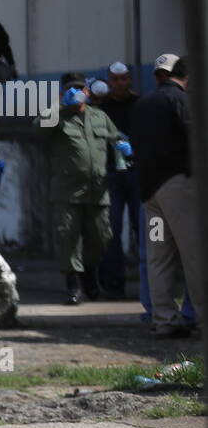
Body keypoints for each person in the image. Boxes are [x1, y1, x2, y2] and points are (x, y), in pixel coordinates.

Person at [129, 54, 202, 338]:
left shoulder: (141, 105)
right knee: (194, 254)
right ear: (186, 77)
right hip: (178, 190)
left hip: (150, 195)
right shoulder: (182, 101)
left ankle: (164, 318)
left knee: (159, 257)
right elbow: (194, 138)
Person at [38, 79, 124, 304]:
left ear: (88, 92)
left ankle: (89, 276)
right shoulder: (58, 117)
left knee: (101, 236)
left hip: (97, 190)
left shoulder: (99, 116)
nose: (76, 94)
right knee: (68, 237)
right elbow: (39, 126)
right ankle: (74, 286)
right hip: (67, 191)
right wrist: (58, 104)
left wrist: (124, 146)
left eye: (80, 89)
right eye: (70, 90)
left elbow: (116, 139)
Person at [97, 62, 141, 298]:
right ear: (109, 81)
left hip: (137, 172)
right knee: (111, 229)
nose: (120, 83)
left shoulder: (139, 104)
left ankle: (148, 281)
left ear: (130, 80)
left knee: (143, 226)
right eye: (115, 79)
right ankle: (114, 281)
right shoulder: (102, 107)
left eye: (124, 79)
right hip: (111, 173)